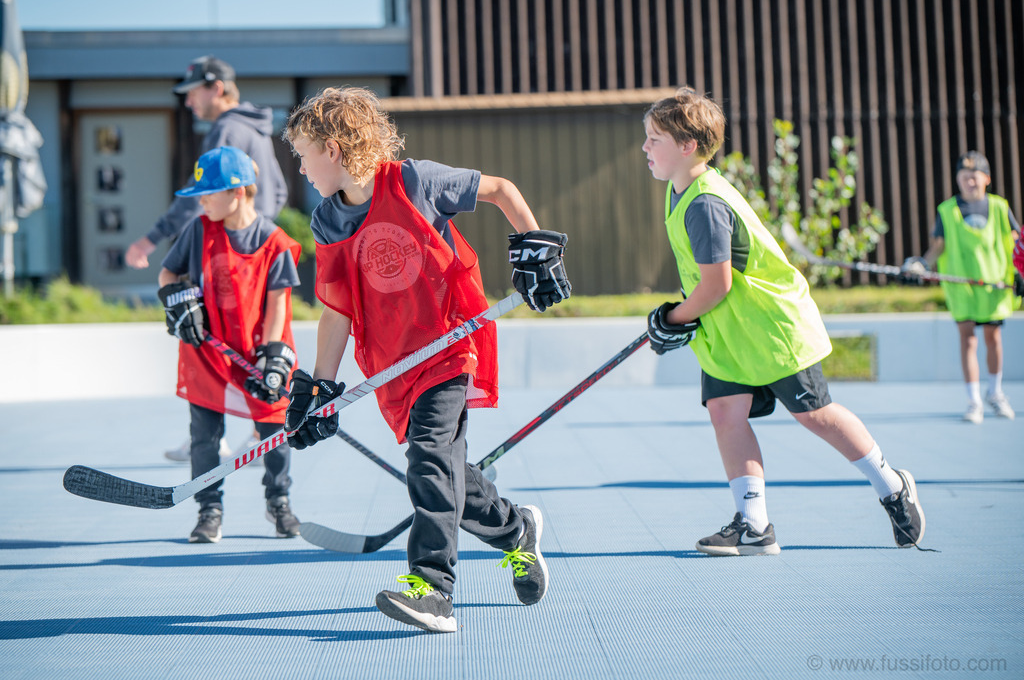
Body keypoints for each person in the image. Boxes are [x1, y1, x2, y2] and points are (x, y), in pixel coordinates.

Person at [280, 87, 571, 632]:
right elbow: (337, 309)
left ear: (335, 149)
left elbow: (502, 190)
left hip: (448, 344)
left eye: (303, 153)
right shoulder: (327, 221)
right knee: (446, 470)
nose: (300, 166)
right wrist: (321, 387)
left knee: (430, 457)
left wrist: (534, 248)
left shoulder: (414, 181)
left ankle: (433, 588)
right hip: (393, 360)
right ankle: (515, 532)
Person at [641, 86, 925, 556]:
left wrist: (672, 317)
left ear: (687, 146)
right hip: (731, 332)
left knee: (815, 415)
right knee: (725, 412)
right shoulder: (681, 191)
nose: (645, 148)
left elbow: (717, 286)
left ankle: (892, 485)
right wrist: (681, 315)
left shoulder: (704, 204)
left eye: (654, 139)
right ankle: (755, 525)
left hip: (773, 329)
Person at [133, 55, 289, 462]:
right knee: (259, 349)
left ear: (216, 88)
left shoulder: (226, 129)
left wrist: (151, 239)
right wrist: (258, 231)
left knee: (210, 342)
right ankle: (259, 429)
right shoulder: (256, 129)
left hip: (229, 259)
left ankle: (209, 431)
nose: (188, 103)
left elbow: (201, 198)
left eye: (193, 93)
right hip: (258, 259)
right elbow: (278, 190)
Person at [157, 146, 303, 544]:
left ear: (238, 192)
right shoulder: (199, 230)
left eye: (209, 194)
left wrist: (272, 360)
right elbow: (169, 271)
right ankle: (209, 510)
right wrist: (178, 303)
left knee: (274, 429)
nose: (202, 201)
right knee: (204, 435)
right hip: (208, 352)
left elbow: (278, 308)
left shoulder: (274, 243)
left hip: (257, 352)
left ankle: (279, 502)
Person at [902, 151, 1021, 423]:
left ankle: (995, 393)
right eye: (964, 176)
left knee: (993, 339)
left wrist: (1019, 272)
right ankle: (974, 400)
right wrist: (921, 265)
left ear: (986, 179)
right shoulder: (947, 210)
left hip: (994, 285)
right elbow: (937, 248)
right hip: (962, 288)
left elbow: (1016, 242)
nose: (969, 181)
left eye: (974, 176)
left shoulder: (1000, 207)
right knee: (968, 340)